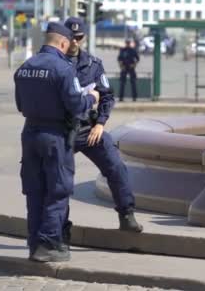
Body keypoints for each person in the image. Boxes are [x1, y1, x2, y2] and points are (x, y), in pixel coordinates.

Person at [14, 22, 100, 262]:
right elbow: (76, 105)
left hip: (30, 133)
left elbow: (20, 105)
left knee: (34, 191)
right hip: (56, 137)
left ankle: (34, 244)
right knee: (57, 191)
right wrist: (91, 98)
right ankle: (49, 243)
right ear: (63, 43)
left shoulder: (25, 67)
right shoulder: (63, 69)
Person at [62, 17, 143, 246]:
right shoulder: (55, 63)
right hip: (63, 131)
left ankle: (126, 215)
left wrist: (101, 124)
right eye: (71, 37)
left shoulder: (93, 64)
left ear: (84, 37)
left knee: (116, 166)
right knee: (62, 181)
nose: (75, 41)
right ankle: (61, 228)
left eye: (79, 37)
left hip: (90, 129)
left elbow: (106, 95)